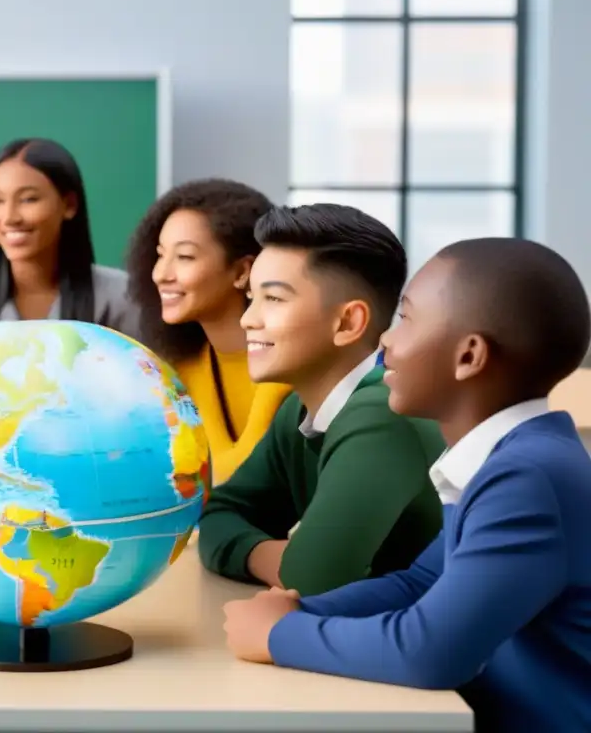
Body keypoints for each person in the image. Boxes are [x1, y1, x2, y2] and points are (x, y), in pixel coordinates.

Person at [226, 237, 591, 732]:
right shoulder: (509, 460)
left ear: (469, 357)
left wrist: (280, 635)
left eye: (406, 319)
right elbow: (420, 583)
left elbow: (432, 651)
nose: (385, 341)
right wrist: (299, 608)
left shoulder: (526, 479)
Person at [198, 204, 443, 596]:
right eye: (251, 297)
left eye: (274, 299)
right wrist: (277, 557)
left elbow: (310, 579)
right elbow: (219, 515)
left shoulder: (384, 415)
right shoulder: (300, 408)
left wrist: (294, 564)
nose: (247, 319)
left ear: (347, 323)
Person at [125, 178, 291, 485]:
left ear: (243, 272)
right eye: (161, 254)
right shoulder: (176, 370)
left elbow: (239, 479)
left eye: (185, 257)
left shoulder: (295, 366)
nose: (161, 274)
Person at [0, 138, 140, 359]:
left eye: (28, 199)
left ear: (69, 205)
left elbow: (141, 387)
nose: (10, 217)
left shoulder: (120, 296)